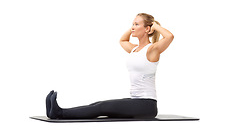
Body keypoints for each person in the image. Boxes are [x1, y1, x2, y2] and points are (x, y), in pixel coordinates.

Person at [46, 13, 174, 119]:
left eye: (136, 24)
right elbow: (122, 40)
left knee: (101, 108)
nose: (133, 27)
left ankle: (59, 113)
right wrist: (133, 28)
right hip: (136, 101)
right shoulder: (134, 49)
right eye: (132, 24)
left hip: (146, 105)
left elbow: (169, 36)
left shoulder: (152, 50)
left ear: (147, 29)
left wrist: (155, 26)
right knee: (98, 104)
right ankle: (55, 112)